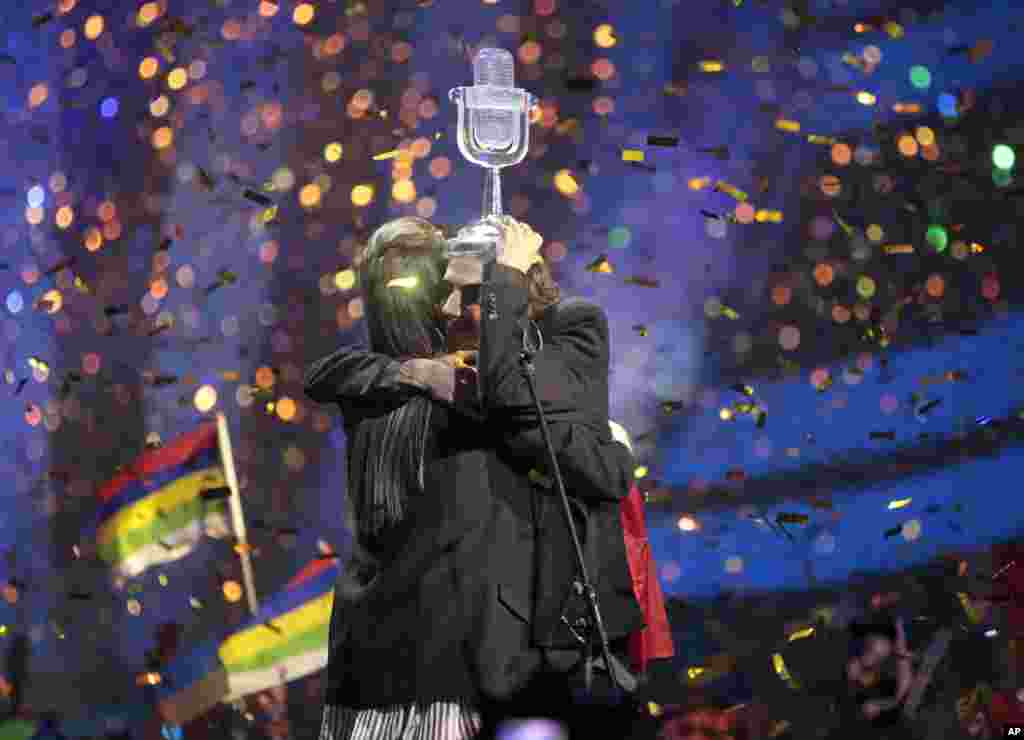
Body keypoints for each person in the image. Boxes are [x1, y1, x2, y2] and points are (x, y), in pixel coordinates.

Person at [305, 216, 645, 739]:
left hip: (392, 673)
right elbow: (329, 373)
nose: (445, 309)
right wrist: (422, 372)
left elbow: (328, 374)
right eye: (441, 293)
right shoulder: (426, 391)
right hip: (443, 670)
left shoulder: (427, 389)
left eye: (463, 295)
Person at [832, 617, 915, 739]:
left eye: (879, 656)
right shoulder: (852, 691)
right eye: (872, 650)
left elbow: (903, 688)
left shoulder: (879, 678)